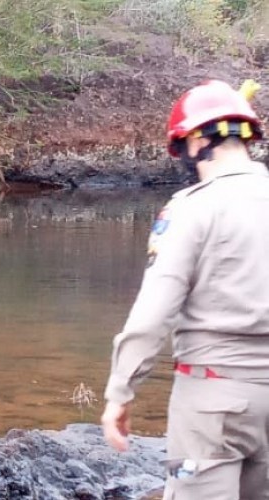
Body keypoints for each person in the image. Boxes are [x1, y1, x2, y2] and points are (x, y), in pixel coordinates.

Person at [100, 79, 269, 498]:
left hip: (213, 400)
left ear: (196, 142)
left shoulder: (191, 209)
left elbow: (154, 313)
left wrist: (121, 391)